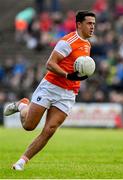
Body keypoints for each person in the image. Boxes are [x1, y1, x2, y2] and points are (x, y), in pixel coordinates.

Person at [4, 10, 96, 171]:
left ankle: (22, 161)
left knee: (50, 130)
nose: (92, 27)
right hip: (51, 87)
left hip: (68, 93)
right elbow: (50, 64)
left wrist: (79, 76)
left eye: (94, 24)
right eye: (89, 23)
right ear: (79, 24)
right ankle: (22, 105)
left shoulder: (87, 44)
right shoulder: (67, 41)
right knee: (29, 126)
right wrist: (68, 75)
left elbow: (79, 70)